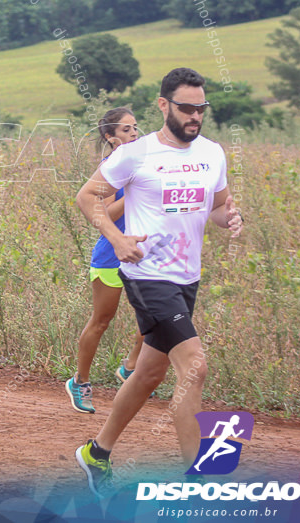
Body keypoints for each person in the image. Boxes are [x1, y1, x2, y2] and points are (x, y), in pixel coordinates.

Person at [73, 68, 243, 497]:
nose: (194, 116)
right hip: (147, 275)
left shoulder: (213, 153)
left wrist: (231, 218)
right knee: (195, 366)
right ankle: (200, 482)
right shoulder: (137, 153)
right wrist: (117, 237)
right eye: (186, 108)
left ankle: (96, 452)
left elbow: (219, 207)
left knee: (149, 372)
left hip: (188, 277)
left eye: (200, 108)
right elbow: (86, 197)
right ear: (164, 105)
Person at [66, 107, 146, 414]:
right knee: (101, 321)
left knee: (152, 319)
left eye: (136, 127)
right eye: (126, 130)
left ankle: (129, 368)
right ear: (110, 137)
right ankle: (80, 381)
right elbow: (108, 214)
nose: (134, 133)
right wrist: (131, 193)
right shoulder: (111, 168)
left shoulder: (144, 164)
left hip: (140, 254)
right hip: (111, 254)